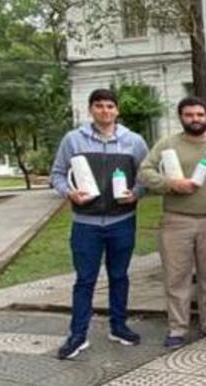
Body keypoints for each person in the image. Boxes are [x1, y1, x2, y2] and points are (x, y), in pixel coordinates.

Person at [50, 88, 149, 360]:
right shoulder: (73, 140)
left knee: (119, 276)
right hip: (85, 224)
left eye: (110, 106)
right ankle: (78, 335)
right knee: (85, 280)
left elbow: (147, 176)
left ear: (117, 110)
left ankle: (119, 327)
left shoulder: (134, 141)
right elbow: (57, 174)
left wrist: (137, 193)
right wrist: (69, 193)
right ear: (91, 109)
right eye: (99, 106)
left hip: (122, 221)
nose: (105, 111)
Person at [137, 96, 206, 349]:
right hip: (177, 219)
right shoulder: (168, 144)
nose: (195, 119)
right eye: (189, 115)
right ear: (181, 117)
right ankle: (177, 327)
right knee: (177, 276)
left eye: (199, 115)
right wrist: (171, 184)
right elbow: (145, 172)